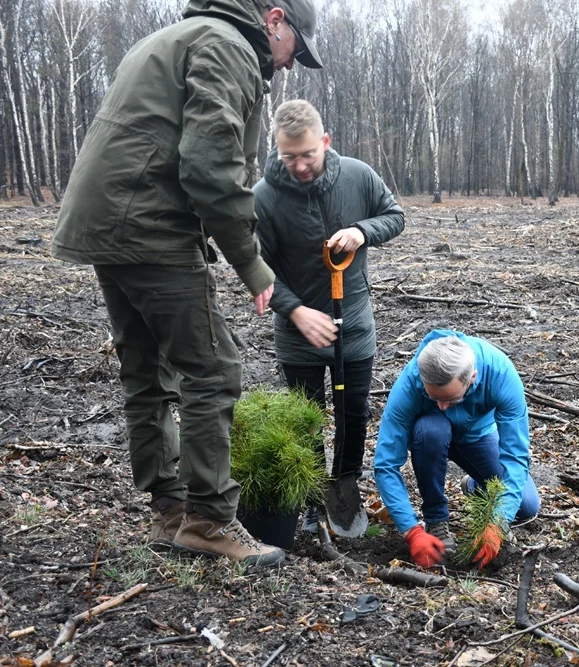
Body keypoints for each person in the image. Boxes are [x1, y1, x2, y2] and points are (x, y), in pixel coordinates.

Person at [49, 0, 324, 567]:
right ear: (275, 20)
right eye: (295, 45)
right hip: (149, 224)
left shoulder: (179, 35)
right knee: (213, 368)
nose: (291, 63)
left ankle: (169, 509)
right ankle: (209, 520)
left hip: (107, 222)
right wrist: (251, 265)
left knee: (146, 368)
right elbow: (206, 164)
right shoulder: (227, 46)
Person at [253, 99, 405, 532]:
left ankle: (346, 482)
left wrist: (362, 231)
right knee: (307, 417)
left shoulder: (358, 176)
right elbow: (257, 269)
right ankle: (313, 496)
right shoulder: (265, 198)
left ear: (325, 141)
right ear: (277, 149)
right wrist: (295, 311)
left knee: (352, 412)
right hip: (298, 332)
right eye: (289, 156)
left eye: (308, 154)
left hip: (354, 323)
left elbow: (394, 216)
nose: (299, 165)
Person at [374, 331, 540, 569]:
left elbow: (515, 456)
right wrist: (411, 531)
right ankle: (436, 518)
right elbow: (385, 464)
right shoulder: (411, 382)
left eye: (451, 399)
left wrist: (498, 522)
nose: (442, 406)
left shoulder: (501, 374)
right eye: (434, 398)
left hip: (477, 435)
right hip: (429, 437)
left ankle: (475, 485)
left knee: (526, 506)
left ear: (472, 378)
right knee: (433, 428)